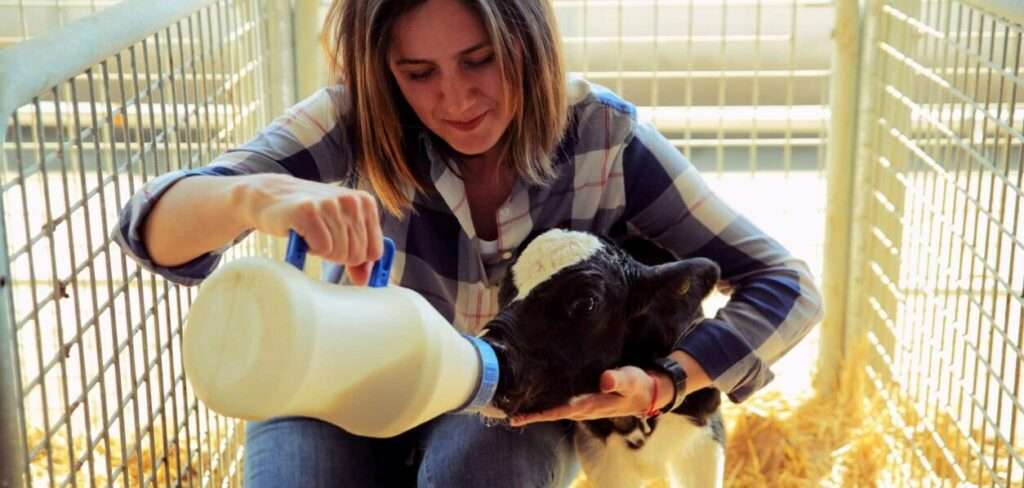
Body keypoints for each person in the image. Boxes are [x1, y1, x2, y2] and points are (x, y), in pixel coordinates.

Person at [115, 0, 824, 486]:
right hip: (334, 382)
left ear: (528, 43)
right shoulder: (353, 121)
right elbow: (153, 227)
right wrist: (256, 196)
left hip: (503, 394)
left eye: (479, 61)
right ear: (383, 70)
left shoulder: (603, 138)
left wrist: (668, 380)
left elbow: (785, 283)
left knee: (481, 470)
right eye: (417, 73)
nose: (454, 100)